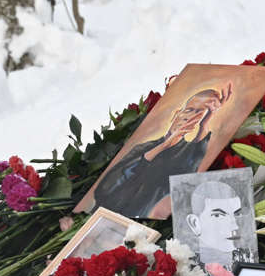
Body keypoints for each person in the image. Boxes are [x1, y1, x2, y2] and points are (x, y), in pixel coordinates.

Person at [90, 84, 229, 216]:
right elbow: (105, 188)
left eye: (199, 114)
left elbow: (189, 167)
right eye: (189, 110)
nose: (189, 117)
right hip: (100, 214)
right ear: (176, 114)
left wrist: (204, 125)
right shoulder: (144, 148)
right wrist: (162, 147)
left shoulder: (184, 154)